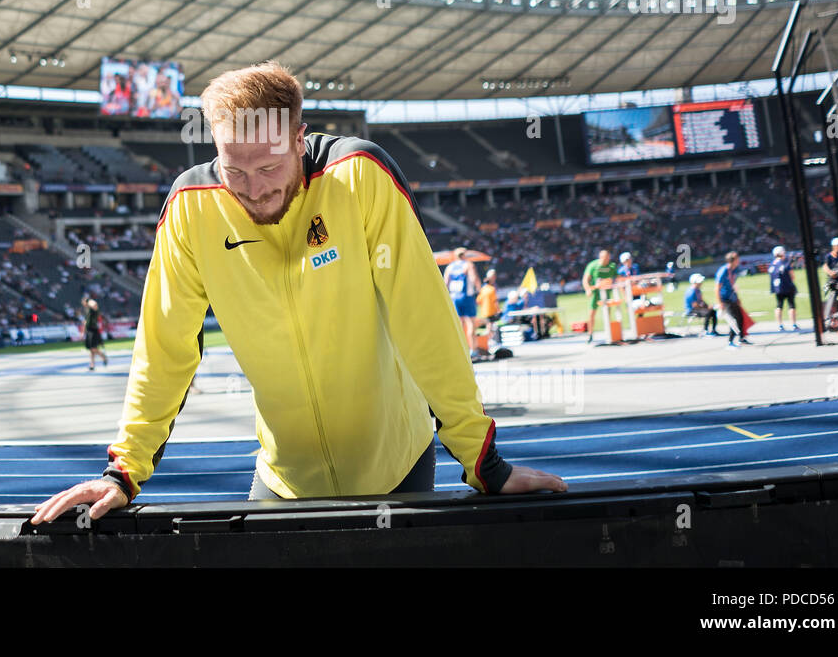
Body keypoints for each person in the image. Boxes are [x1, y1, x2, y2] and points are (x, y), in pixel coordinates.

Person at [30, 62, 565, 524]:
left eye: (269, 167)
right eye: (234, 169)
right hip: (283, 476)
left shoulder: (360, 176)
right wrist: (123, 472)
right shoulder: (192, 207)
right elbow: (164, 347)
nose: (255, 190)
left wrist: (482, 462)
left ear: (298, 137)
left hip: (395, 465)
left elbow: (423, 318)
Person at [443, 247, 482, 359]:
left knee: (459, 325)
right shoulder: (468, 265)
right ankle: (473, 350)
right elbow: (473, 277)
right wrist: (479, 290)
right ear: (465, 255)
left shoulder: (450, 267)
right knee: (471, 324)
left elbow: (445, 282)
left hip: (454, 297)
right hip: (467, 297)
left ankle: (460, 351)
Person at [715, 251, 750, 348]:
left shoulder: (734, 270)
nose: (739, 260)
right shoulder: (723, 271)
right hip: (725, 299)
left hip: (732, 297)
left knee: (740, 317)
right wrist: (720, 302)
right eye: (737, 259)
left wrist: (737, 297)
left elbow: (732, 285)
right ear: (732, 260)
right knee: (733, 320)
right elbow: (717, 288)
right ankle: (730, 341)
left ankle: (742, 338)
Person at [582, 249, 618, 343]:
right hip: (596, 293)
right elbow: (585, 279)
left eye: (607, 257)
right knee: (592, 313)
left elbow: (617, 277)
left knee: (607, 312)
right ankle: (590, 334)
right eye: (604, 258)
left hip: (606, 292)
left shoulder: (612, 266)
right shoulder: (593, 265)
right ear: (600, 257)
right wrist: (588, 289)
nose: (606, 260)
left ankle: (609, 332)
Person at [768, 246, 798, 331]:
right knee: (791, 306)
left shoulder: (772, 264)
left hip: (777, 288)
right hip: (787, 287)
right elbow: (792, 276)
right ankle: (793, 324)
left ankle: (780, 325)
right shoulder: (785, 263)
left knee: (779, 306)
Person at [81, 295, 107, 370]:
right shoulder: (86, 310)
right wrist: (83, 332)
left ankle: (102, 356)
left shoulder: (93, 309)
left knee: (93, 348)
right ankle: (92, 364)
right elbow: (85, 322)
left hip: (93, 330)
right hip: (89, 330)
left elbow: (95, 304)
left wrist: (88, 300)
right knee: (91, 349)